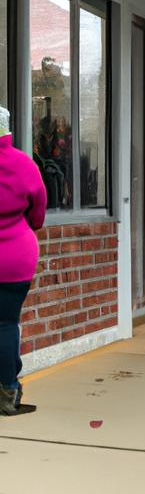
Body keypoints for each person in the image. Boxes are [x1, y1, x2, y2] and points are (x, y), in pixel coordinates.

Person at [0, 106, 47, 416]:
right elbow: (38, 215)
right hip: (15, 259)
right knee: (5, 325)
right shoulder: (23, 164)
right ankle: (7, 394)